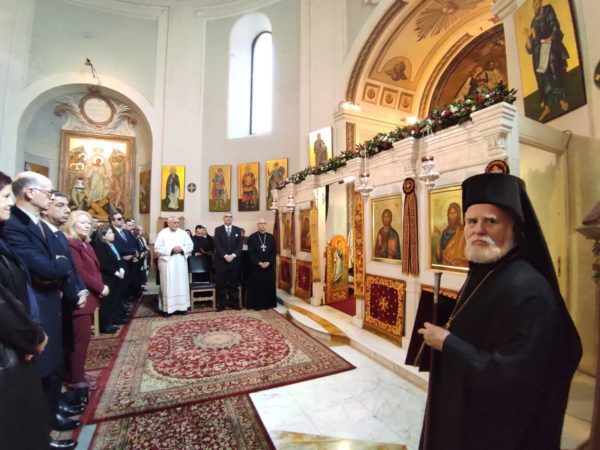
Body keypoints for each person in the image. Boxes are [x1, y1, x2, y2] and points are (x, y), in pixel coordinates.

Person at [417, 173, 582, 450]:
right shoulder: (484, 271)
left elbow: (516, 375)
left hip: (496, 430)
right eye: (471, 221)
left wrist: (448, 343)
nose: (478, 230)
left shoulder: (528, 289)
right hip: (462, 409)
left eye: (491, 221)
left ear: (514, 228)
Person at [3, 171, 81, 448]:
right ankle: (46, 428)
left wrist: (57, 267)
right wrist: (58, 266)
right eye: (48, 193)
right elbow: (47, 267)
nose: (8, 202)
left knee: (53, 364)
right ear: (30, 193)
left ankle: (54, 412)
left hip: (50, 303)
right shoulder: (14, 226)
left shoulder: (38, 224)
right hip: (33, 308)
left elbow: (58, 263)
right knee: (41, 369)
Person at [0, 170, 54, 450]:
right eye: (4, 196)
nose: (9, 202)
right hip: (9, 347)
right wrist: (31, 336)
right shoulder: (12, 229)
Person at [65, 210, 108, 407]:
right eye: (82, 222)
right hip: (81, 299)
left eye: (89, 222)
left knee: (83, 339)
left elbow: (94, 269)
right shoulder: (72, 244)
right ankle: (76, 379)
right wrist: (100, 287)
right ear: (72, 224)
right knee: (79, 341)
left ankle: (78, 372)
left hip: (90, 297)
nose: (87, 225)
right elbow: (80, 272)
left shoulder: (85, 244)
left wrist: (99, 285)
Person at [525, 0, 570, 122]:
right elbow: (530, 47)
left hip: (549, 46)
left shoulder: (548, 10)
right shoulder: (533, 21)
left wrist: (549, 39)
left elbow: (555, 27)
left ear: (540, 3)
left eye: (537, 4)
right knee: (541, 79)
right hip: (538, 53)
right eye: (533, 5)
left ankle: (561, 99)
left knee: (553, 72)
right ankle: (547, 107)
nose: (535, 7)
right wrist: (528, 36)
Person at [154, 216, 193, 316]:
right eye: (174, 222)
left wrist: (182, 248)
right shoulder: (162, 233)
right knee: (168, 285)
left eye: (178, 222)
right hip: (167, 263)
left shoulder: (183, 233)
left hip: (180, 262)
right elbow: (157, 248)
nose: (177, 224)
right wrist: (171, 250)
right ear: (168, 223)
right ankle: (167, 309)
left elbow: (190, 246)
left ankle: (182, 307)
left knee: (181, 284)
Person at [92, 224, 125, 334]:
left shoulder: (111, 245)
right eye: (110, 233)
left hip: (115, 277)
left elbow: (118, 258)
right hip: (107, 278)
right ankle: (104, 325)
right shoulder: (100, 246)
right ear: (103, 236)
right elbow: (104, 264)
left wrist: (121, 269)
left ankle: (110, 322)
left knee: (112, 301)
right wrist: (116, 272)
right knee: (106, 302)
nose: (113, 234)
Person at [213, 213, 243, 311]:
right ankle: (221, 304)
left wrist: (233, 255)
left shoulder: (237, 230)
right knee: (221, 283)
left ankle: (234, 303)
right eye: (226, 217)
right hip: (221, 261)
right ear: (223, 218)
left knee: (234, 283)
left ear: (232, 218)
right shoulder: (218, 230)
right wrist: (225, 256)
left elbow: (240, 245)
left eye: (230, 217)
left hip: (234, 261)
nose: (228, 218)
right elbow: (217, 244)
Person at [246, 219, 277, 310]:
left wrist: (269, 262)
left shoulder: (271, 237)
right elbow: (251, 253)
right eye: (260, 223)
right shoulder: (252, 237)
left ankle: (268, 304)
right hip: (256, 267)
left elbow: (274, 252)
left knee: (268, 285)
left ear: (265, 225)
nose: (262, 225)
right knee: (257, 286)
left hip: (268, 267)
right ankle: (256, 305)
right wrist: (258, 262)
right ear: (257, 225)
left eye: (264, 223)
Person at [433, 202, 467, 267]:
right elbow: (439, 258)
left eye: (454, 213)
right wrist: (439, 238)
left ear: (458, 214)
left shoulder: (463, 231)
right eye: (450, 213)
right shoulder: (444, 232)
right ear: (448, 215)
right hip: (446, 267)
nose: (452, 216)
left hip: (460, 267)